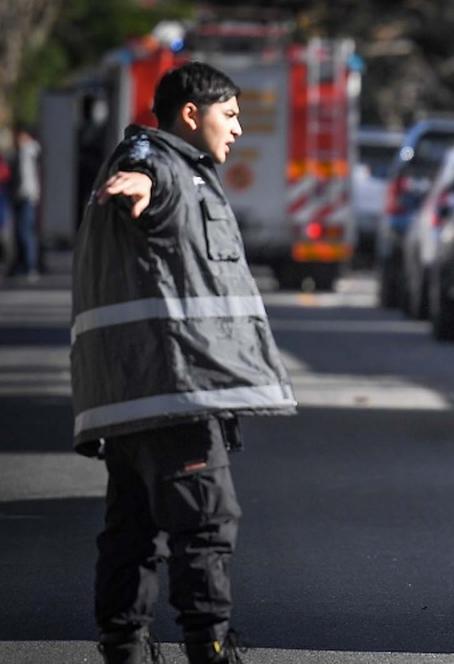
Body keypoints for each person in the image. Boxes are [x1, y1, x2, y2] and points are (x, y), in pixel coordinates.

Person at [71, 62, 297, 664]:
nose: (240, 129)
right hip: (175, 389)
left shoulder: (175, 164)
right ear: (190, 114)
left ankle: (123, 645)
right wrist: (136, 182)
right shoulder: (156, 162)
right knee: (206, 525)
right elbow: (141, 172)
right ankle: (210, 645)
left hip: (137, 392)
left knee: (134, 530)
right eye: (230, 114)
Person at [8, 122, 41, 279]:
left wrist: (21, 193)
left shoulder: (25, 151)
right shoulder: (28, 151)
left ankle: (29, 266)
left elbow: (25, 177)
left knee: (25, 232)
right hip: (25, 195)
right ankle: (23, 265)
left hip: (25, 196)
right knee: (22, 232)